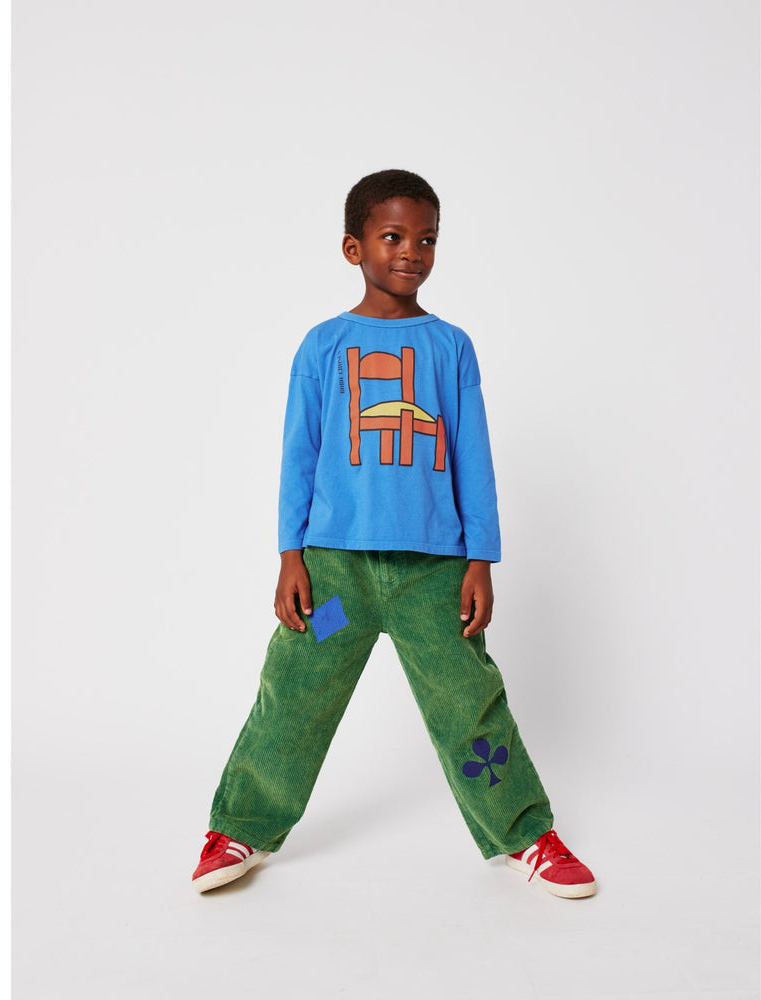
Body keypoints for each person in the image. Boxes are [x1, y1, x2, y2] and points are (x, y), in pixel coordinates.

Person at [192, 169, 596, 899]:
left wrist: (481, 558)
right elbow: (299, 453)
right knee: (295, 690)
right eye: (392, 236)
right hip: (336, 577)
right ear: (354, 248)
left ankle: (524, 835)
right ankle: (243, 826)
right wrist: (290, 555)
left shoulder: (451, 346)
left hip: (431, 577)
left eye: (427, 238)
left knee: (468, 703)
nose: (412, 251)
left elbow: (473, 455)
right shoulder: (323, 345)